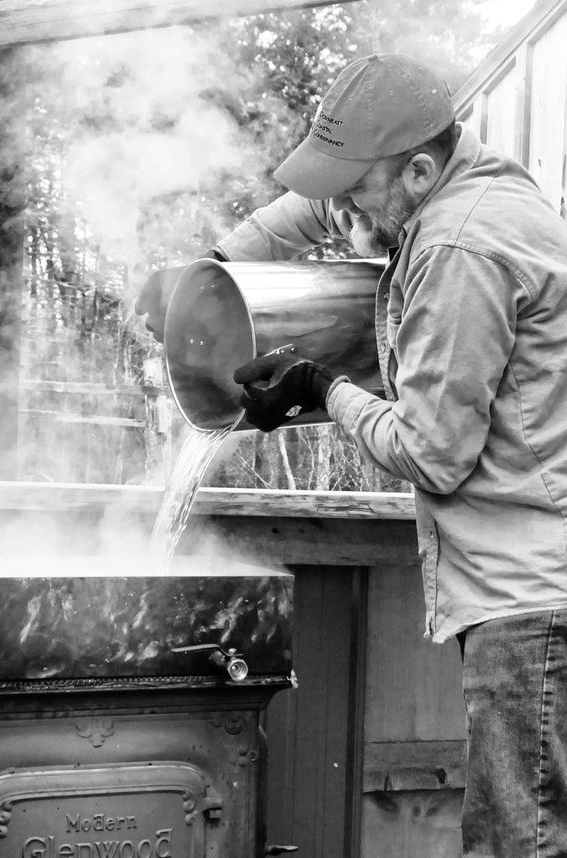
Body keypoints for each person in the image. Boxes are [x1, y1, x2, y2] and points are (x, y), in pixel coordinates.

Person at [136, 51, 567, 857]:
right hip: (532, 587)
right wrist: (218, 267)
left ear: (417, 171)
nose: (342, 206)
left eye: (355, 186)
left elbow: (434, 453)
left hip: (531, 599)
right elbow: (312, 207)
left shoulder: (458, 252)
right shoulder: (441, 189)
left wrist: (320, 387)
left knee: (520, 844)